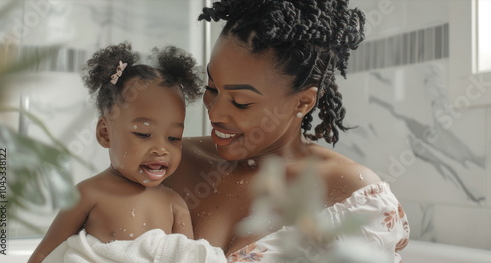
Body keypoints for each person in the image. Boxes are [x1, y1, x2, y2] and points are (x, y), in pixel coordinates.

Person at [163, 0, 410, 262]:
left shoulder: (352, 195)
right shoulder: (169, 161)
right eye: (211, 88)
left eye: (241, 102)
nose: (214, 113)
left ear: (303, 102)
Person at [28, 43, 226, 263]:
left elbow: (188, 256)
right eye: (143, 134)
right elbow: (44, 254)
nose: (161, 149)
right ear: (105, 133)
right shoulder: (88, 194)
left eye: (173, 138)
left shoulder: (174, 203)